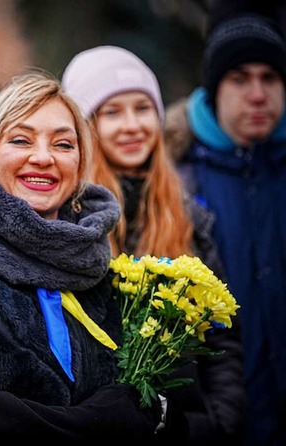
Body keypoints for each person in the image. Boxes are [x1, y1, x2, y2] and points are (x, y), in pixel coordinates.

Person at [0, 70, 187, 445]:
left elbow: (161, 408)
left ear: (79, 167)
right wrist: (106, 420)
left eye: (63, 145)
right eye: (21, 140)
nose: (43, 158)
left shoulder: (98, 271)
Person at [62, 45, 247, 445]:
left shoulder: (189, 215)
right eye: (112, 112)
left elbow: (222, 337)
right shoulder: (70, 221)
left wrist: (217, 421)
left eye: (142, 108)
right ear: (85, 127)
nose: (132, 125)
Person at [163, 12, 286, 446]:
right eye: (239, 78)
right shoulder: (175, 177)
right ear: (215, 89)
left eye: (270, 77)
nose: (257, 95)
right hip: (227, 421)